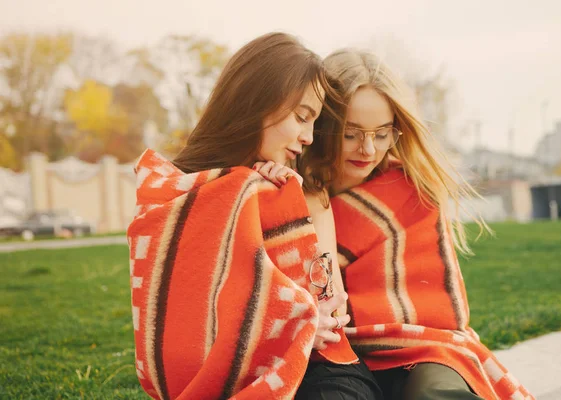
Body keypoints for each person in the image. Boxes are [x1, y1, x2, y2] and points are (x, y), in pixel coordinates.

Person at [126, 33, 381, 400]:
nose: (309, 137)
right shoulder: (171, 194)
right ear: (256, 102)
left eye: (315, 122)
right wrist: (243, 192)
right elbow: (171, 326)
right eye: (301, 117)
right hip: (221, 383)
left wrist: (288, 206)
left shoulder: (298, 189)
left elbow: (329, 305)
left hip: (320, 372)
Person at [298, 49, 534, 400]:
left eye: (382, 134)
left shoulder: (411, 191)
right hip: (329, 354)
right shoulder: (296, 188)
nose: (368, 149)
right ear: (324, 126)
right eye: (352, 134)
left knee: (435, 392)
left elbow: (434, 313)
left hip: (420, 352)